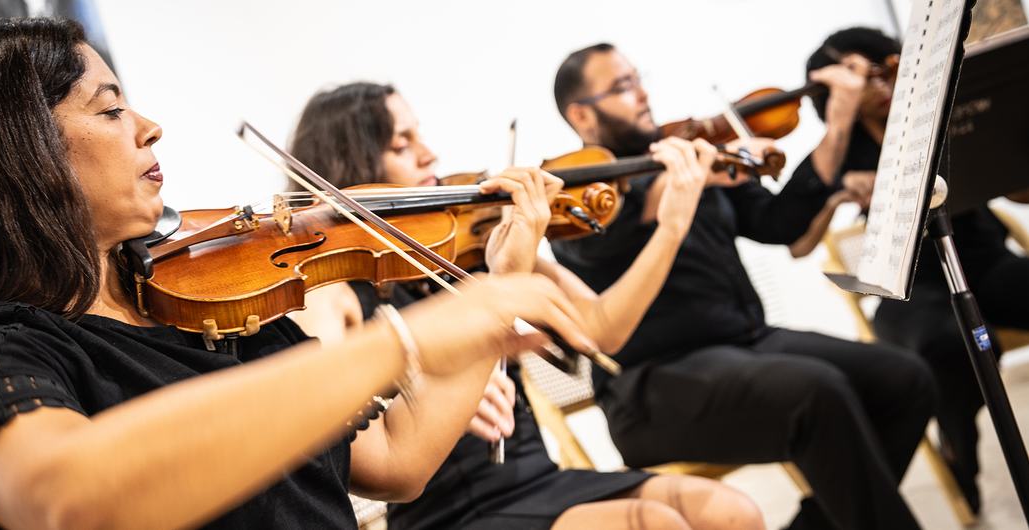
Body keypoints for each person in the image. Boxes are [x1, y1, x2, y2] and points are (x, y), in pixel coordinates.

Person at [0, 18, 605, 530]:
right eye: (111, 109)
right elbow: (64, 499)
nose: (148, 126)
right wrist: (397, 345)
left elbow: (398, 459)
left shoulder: (208, 307)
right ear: (21, 153)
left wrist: (488, 292)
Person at [285, 82, 766, 530]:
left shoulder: (470, 246)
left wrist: (672, 227)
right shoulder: (333, 291)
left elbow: (602, 329)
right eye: (401, 145)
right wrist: (414, 383)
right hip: (453, 511)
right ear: (353, 167)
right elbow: (339, 432)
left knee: (730, 512)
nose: (430, 153)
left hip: (537, 476)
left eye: (420, 135)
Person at [547, 42, 938, 530]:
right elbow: (622, 224)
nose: (643, 93)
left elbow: (780, 222)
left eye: (637, 77)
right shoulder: (577, 196)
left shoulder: (689, 152)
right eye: (623, 86)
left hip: (748, 343)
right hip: (649, 387)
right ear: (582, 115)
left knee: (905, 378)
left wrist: (837, 125)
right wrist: (696, 175)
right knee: (815, 392)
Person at [789, 27, 1029, 514]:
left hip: (987, 262)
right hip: (910, 286)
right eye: (862, 80)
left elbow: (1020, 194)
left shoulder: (945, 118)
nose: (879, 87)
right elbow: (798, 243)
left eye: (884, 70)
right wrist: (837, 195)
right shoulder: (842, 149)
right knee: (942, 345)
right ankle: (959, 445)